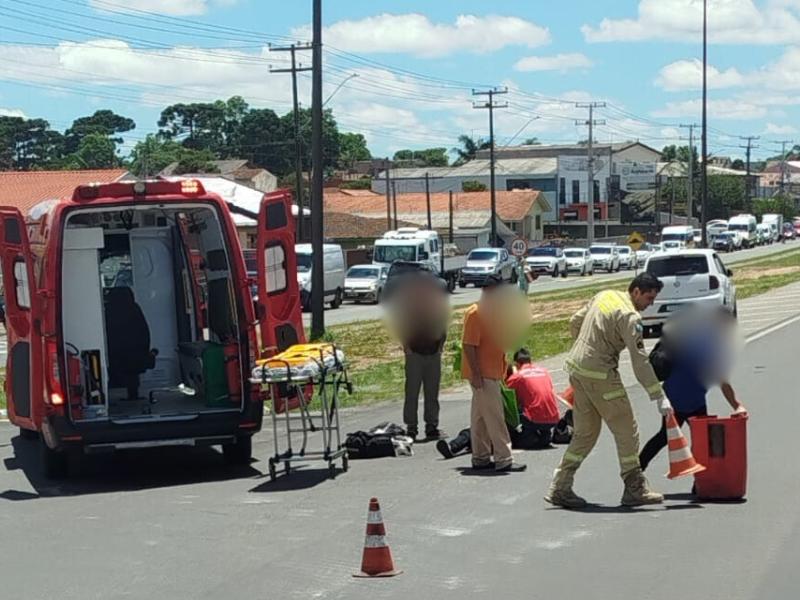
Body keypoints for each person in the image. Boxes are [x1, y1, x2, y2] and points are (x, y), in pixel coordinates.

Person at [545, 273, 672, 509]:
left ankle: (560, 486)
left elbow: (575, 321)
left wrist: (586, 350)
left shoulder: (605, 296)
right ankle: (634, 487)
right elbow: (640, 361)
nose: (650, 303)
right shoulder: (629, 317)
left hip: (578, 371)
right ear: (635, 292)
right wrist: (658, 395)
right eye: (648, 297)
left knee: (585, 433)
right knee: (627, 430)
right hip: (602, 376)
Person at [639, 306, 747, 472]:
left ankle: (637, 470)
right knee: (705, 442)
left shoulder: (695, 337)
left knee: (665, 437)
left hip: (676, 397)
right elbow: (722, 381)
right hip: (688, 400)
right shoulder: (709, 345)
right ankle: (704, 479)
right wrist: (737, 405)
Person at [461, 276, 527, 473]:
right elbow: (468, 345)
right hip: (482, 373)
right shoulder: (476, 313)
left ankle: (480, 456)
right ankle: (503, 458)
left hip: (492, 371)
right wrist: (476, 373)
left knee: (481, 416)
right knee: (495, 417)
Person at [386, 268, 449, 441]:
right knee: (412, 392)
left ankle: (431, 426)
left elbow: (443, 328)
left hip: (433, 352)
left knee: (432, 392)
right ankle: (411, 427)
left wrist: (440, 347)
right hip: (414, 353)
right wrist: (407, 347)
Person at [505, 348, 561, 449]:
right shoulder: (544, 372)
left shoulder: (518, 376)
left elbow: (506, 396)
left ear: (517, 364)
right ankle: (544, 435)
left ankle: (528, 437)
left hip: (533, 419)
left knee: (513, 410)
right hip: (553, 418)